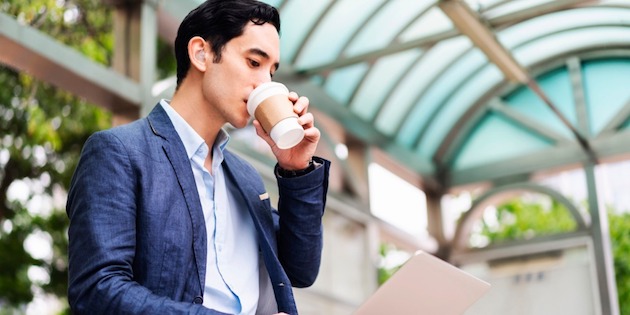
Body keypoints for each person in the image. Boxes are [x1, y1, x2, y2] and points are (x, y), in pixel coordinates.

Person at [65, 0, 330, 314]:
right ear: (201, 53)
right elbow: (97, 289)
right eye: (254, 62)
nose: (266, 83)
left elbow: (300, 271)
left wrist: (295, 168)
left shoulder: (244, 177)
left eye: (272, 71)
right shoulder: (119, 152)